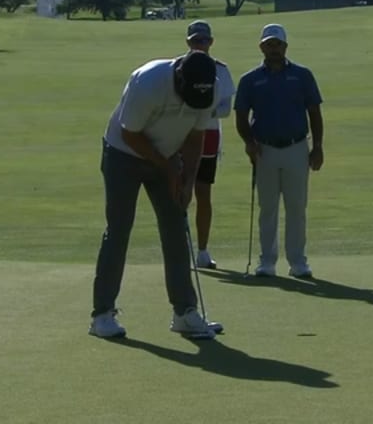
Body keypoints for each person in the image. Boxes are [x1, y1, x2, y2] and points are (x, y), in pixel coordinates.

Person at [89, 50, 224, 340]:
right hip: (123, 155)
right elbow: (130, 134)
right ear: (178, 76)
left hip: (169, 155)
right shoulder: (148, 81)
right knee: (119, 229)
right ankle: (102, 315)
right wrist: (167, 167)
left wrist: (187, 182)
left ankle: (184, 313)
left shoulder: (208, 88)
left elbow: (195, 137)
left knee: (176, 226)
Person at [234, 23, 325, 279]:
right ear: (262, 47)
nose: (274, 49)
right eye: (269, 44)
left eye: (278, 44)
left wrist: (317, 147)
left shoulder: (302, 75)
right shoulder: (251, 79)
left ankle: (298, 262)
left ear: (285, 46)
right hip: (265, 150)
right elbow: (241, 116)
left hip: (297, 146)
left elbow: (315, 113)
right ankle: (267, 261)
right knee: (268, 207)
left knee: (297, 207)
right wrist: (249, 143)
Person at [184, 20, 235, 269]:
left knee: (203, 193)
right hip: (180, 136)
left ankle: (202, 251)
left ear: (211, 42)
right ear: (188, 42)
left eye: (203, 41)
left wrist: (202, 108)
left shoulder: (220, 70)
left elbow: (225, 109)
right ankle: (180, 249)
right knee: (178, 193)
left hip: (208, 135)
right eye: (195, 41)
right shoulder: (178, 68)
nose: (199, 45)